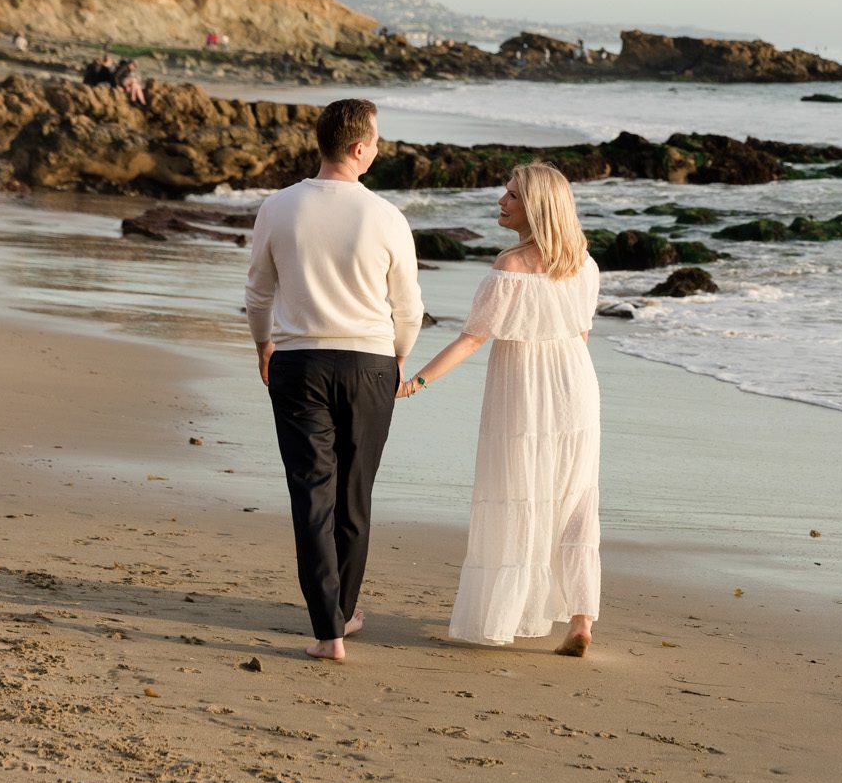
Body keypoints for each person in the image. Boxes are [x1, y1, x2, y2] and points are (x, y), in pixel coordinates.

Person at [397, 162, 603, 656]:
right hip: (576, 385)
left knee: (518, 493)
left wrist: (414, 383)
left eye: (512, 195)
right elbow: (581, 334)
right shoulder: (584, 263)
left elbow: (472, 339)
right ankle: (581, 619)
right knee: (575, 499)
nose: (501, 201)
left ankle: (507, 614)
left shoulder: (510, 267)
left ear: (536, 207)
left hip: (524, 389)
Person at [246, 99, 423, 662]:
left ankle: (330, 632)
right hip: (369, 364)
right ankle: (343, 612)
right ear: (358, 148)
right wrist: (397, 357)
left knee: (312, 496)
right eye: (377, 141)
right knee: (354, 495)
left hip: (298, 362)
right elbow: (409, 307)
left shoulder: (278, 206)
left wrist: (263, 344)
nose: (379, 149)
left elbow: (258, 292)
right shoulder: (386, 216)